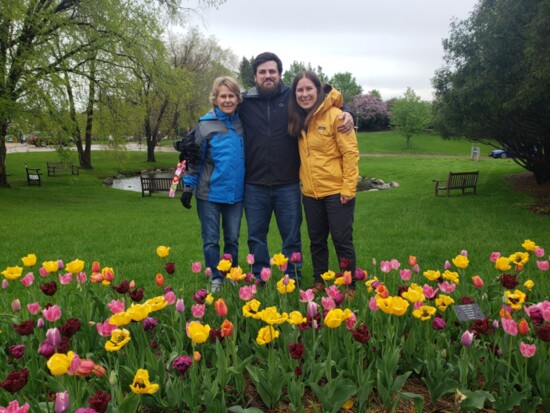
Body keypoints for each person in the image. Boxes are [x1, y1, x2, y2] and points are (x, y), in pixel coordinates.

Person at [239, 52, 354, 282]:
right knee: (256, 237)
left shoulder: (291, 98)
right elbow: (222, 106)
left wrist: (349, 111)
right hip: (254, 184)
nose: (268, 76)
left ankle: (292, 277)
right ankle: (260, 278)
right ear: (255, 76)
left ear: (280, 74)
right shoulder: (245, 102)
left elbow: (324, 101)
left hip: (288, 184)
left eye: (272, 71)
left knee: (292, 237)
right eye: (262, 72)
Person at [287, 71, 359, 295]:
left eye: (309, 89)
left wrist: (348, 188)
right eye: (300, 90)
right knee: (316, 241)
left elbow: (350, 153)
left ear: (318, 91)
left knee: (341, 240)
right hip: (310, 193)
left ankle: (349, 285)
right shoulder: (298, 118)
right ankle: (319, 280)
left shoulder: (337, 116)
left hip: (337, 191)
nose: (305, 94)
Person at [181, 76, 245, 292]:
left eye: (231, 96)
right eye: (222, 96)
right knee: (211, 240)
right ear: (215, 99)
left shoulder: (242, 123)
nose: (227, 100)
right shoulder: (204, 125)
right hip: (208, 194)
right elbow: (192, 159)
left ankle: (231, 274)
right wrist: (187, 187)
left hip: (235, 194)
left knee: (232, 239)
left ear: (237, 98)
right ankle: (216, 277)